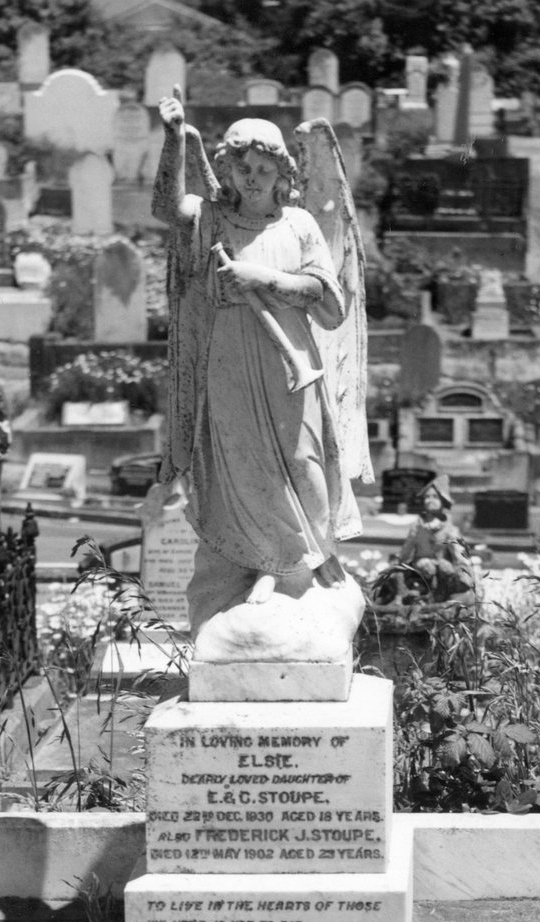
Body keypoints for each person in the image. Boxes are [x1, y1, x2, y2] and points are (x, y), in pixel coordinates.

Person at [152, 88, 367, 629]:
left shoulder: (298, 226)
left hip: (288, 359)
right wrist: (175, 138)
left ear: (281, 174)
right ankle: (264, 563)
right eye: (242, 166)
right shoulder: (213, 221)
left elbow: (333, 305)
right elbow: (165, 207)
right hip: (228, 358)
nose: (252, 177)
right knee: (240, 465)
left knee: (301, 461)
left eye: (264, 168)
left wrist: (264, 279)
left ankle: (310, 557)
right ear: (226, 168)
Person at [396, 476, 475, 602]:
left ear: (443, 500)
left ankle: (443, 596)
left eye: (434, 497)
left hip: (442, 570)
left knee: (445, 569)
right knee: (426, 567)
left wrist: (465, 571)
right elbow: (407, 550)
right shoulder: (417, 526)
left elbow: (459, 554)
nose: (429, 500)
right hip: (420, 570)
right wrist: (399, 564)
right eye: (427, 497)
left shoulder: (449, 528)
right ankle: (419, 594)